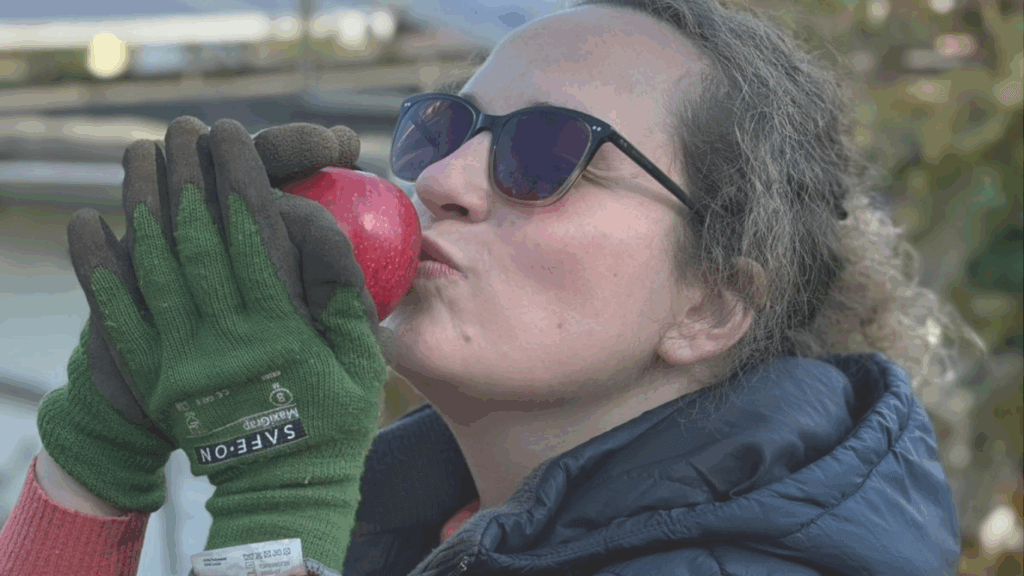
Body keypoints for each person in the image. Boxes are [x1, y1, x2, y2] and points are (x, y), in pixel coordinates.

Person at [0, 0, 987, 574]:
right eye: (438, 129)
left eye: (549, 154)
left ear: (710, 304)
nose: (438, 181)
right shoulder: (420, 530)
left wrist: (276, 502)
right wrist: (99, 456)